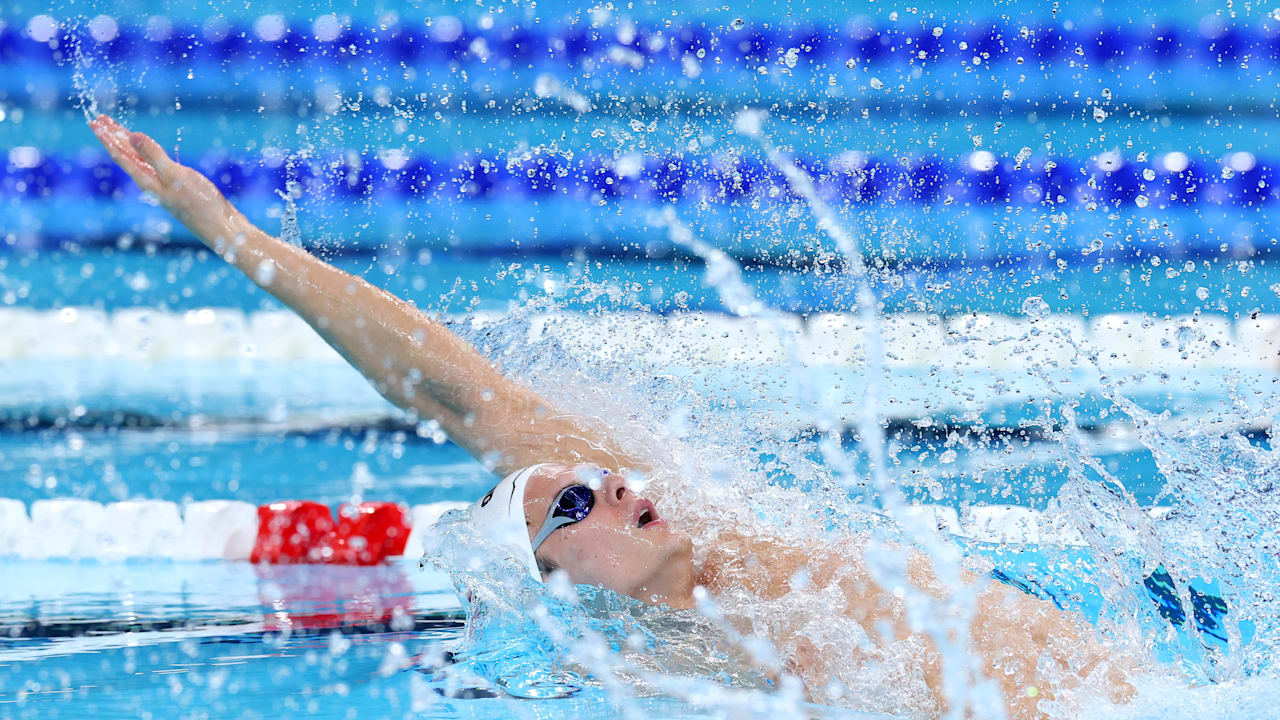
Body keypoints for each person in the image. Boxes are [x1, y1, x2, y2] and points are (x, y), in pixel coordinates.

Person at [89, 113, 1138, 719]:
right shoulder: (674, 672)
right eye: (579, 500)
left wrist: (228, 232)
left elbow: (446, 388)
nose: (621, 484)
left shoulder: (723, 523)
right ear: (556, 578)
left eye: (596, 477)